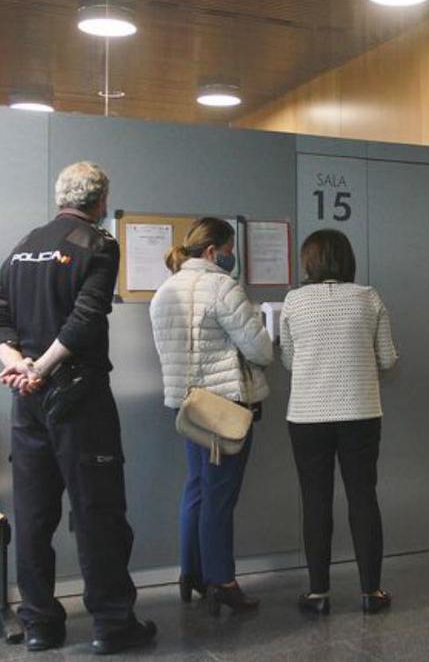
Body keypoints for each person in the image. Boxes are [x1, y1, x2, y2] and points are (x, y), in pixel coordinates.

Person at [0, 161, 156, 654]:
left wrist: (17, 364)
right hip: (79, 400)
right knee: (98, 512)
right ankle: (112, 624)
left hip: (27, 403)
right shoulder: (100, 245)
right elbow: (84, 322)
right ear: (101, 203)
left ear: (61, 198)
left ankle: (40, 624)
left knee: (33, 517)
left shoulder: (23, 245)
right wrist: (41, 369)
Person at [149, 217, 273, 615]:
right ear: (212, 252)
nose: (231, 256)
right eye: (229, 248)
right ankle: (222, 580)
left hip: (189, 407)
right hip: (225, 407)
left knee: (198, 489)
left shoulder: (164, 290)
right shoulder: (222, 287)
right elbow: (261, 351)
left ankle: (192, 573)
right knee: (220, 496)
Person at [279, 230, 398, 616]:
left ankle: (318, 595)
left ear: (309, 261)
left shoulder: (294, 301)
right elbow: (388, 359)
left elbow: (289, 361)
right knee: (363, 497)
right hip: (361, 412)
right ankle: (371, 593)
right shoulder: (369, 297)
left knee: (315, 500)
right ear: (347, 260)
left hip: (307, 416)